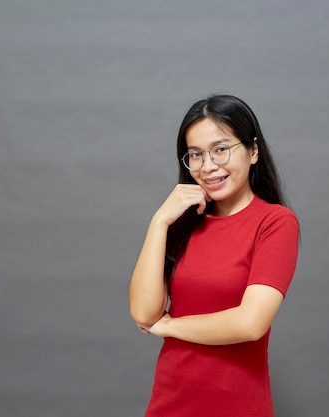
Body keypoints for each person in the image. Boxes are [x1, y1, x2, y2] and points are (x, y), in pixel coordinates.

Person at [129, 94, 299, 417]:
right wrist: (159, 222)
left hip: (237, 406)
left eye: (221, 150)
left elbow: (251, 323)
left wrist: (170, 326)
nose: (207, 166)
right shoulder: (181, 224)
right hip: (170, 403)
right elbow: (143, 312)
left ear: (253, 151)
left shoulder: (275, 223)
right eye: (195, 155)